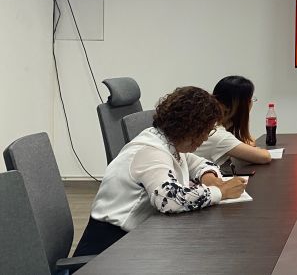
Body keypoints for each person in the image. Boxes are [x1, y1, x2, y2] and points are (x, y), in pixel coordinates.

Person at [74, 87, 247, 256]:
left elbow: (196, 163)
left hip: (135, 238)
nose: (206, 137)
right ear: (191, 128)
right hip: (108, 250)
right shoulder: (150, 151)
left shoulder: (168, 141)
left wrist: (208, 176)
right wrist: (220, 192)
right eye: (206, 131)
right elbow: (169, 200)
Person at [195, 75, 271, 165]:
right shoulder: (218, 134)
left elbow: (250, 141)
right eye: (250, 100)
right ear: (242, 105)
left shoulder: (208, 122)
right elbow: (264, 157)